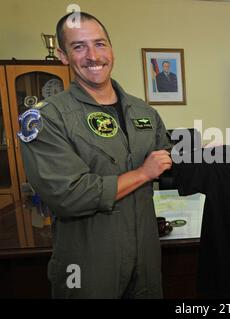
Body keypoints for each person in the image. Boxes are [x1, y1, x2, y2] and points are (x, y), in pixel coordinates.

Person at [18, 12, 172, 298]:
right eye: (79, 47)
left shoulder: (144, 112)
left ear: (111, 50)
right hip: (89, 264)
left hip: (147, 260)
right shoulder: (47, 118)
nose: (93, 55)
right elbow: (69, 194)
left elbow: (169, 161)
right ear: (63, 56)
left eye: (100, 44)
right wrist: (142, 173)